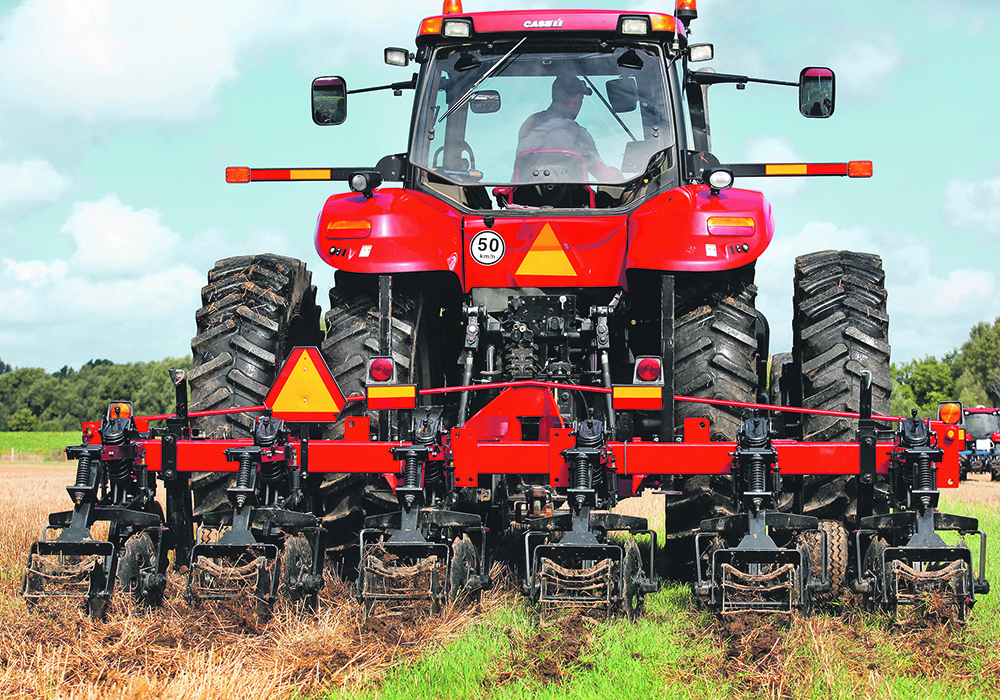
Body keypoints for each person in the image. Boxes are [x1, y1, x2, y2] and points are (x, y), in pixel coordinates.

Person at [516, 75, 623, 182]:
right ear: (576, 100)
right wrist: (619, 176)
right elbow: (604, 175)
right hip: (569, 197)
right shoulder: (576, 133)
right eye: (582, 98)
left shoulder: (530, 124)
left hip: (522, 197)